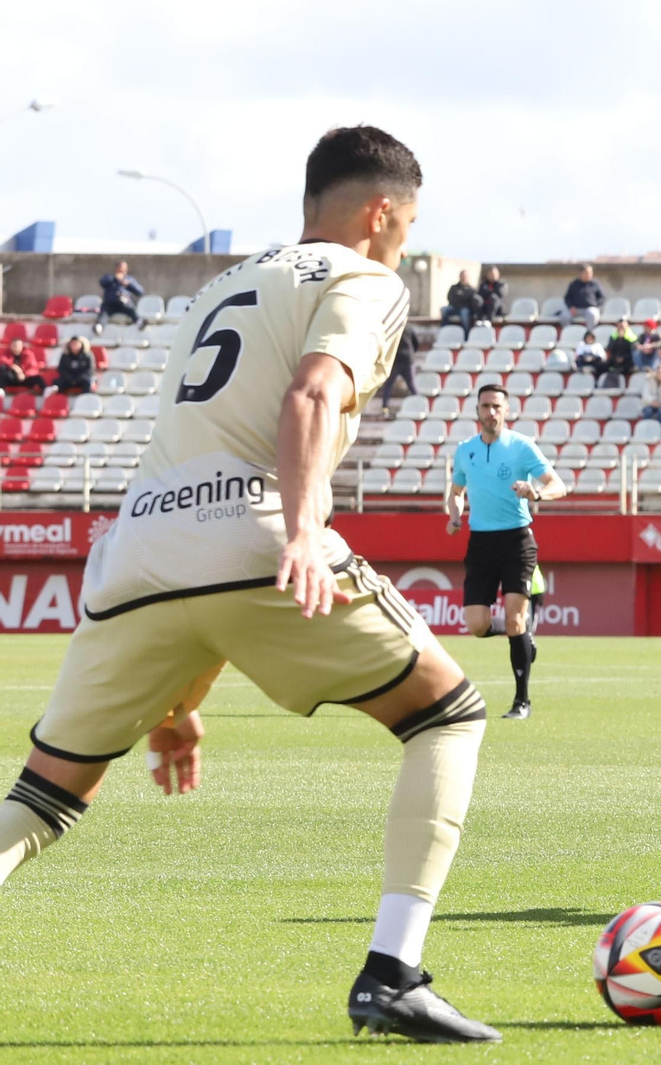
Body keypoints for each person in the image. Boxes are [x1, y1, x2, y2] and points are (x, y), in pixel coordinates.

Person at [0, 126, 502, 1043]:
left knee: (40, 797)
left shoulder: (217, 290)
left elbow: (203, 559)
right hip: (255, 528)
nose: (404, 245)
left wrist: (177, 701)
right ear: (381, 212)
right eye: (408, 226)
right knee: (449, 714)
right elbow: (311, 393)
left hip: (139, 549)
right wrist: (306, 531)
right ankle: (392, 974)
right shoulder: (366, 279)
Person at [446, 382, 567, 724]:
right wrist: (455, 515)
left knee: (516, 619)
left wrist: (536, 492)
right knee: (476, 624)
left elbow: (559, 485)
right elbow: (455, 491)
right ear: (477, 411)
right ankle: (524, 639)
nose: (491, 412)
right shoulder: (465, 450)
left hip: (517, 540)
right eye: (485, 406)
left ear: (506, 410)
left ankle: (521, 701)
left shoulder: (521, 447)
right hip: (480, 542)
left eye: (497, 406)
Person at [380, 322, 420, 415]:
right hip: (408, 359)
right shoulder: (408, 327)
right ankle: (419, 405)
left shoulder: (392, 329)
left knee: (388, 385)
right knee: (412, 385)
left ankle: (384, 407)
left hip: (395, 360)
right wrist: (411, 353)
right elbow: (416, 343)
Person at [94, 261, 144, 333]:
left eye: (124, 268)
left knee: (131, 308)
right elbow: (102, 282)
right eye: (120, 267)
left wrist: (129, 284)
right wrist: (115, 278)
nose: (122, 270)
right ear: (116, 268)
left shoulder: (130, 279)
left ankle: (139, 323)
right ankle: (99, 326)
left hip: (124, 303)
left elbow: (140, 291)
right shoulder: (109, 277)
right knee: (104, 312)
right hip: (110, 303)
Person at [561, 264, 604, 328]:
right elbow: (567, 298)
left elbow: (602, 298)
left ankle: (589, 335)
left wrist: (594, 304)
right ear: (581, 273)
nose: (589, 274)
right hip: (575, 309)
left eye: (591, 273)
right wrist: (571, 307)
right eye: (587, 273)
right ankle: (569, 334)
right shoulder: (574, 284)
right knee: (564, 316)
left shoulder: (595, 284)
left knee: (593, 315)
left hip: (589, 309)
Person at [440, 269, 480, 334]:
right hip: (454, 307)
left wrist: (459, 297)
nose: (464, 278)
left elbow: (470, 301)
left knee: (464, 313)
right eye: (462, 276)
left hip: (465, 309)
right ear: (459, 276)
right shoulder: (454, 287)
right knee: (444, 309)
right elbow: (450, 298)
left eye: (465, 276)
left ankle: (466, 335)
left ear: (468, 277)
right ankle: (444, 331)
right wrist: (462, 298)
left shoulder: (472, 289)